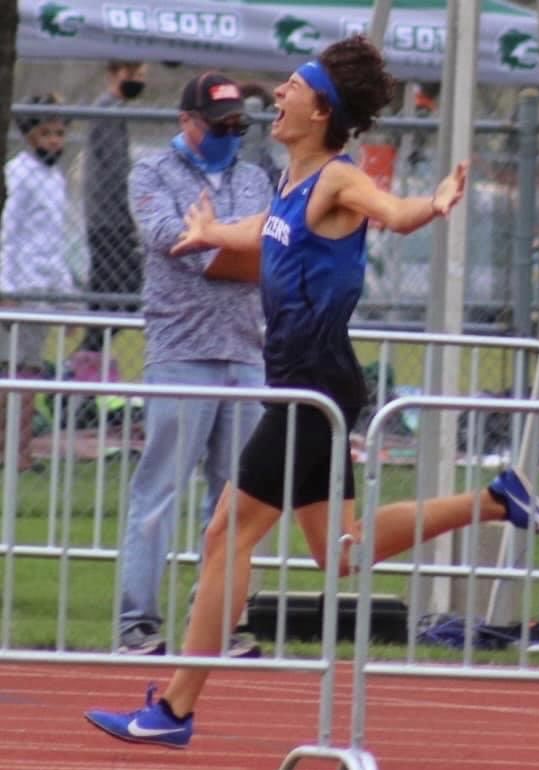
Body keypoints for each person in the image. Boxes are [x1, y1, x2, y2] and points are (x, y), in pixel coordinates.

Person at [85, 34, 539, 747]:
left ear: (320, 110)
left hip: (311, 383)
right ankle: (497, 499)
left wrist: (430, 205)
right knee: (340, 553)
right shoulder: (291, 183)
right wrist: (210, 230)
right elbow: (270, 229)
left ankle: (176, 708)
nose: (276, 95)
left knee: (227, 533)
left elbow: (390, 208)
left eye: (290, 86)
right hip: (310, 381)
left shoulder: (340, 178)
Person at [116, 72, 272, 657]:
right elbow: (168, 238)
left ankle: (218, 626)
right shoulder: (152, 173)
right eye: (219, 124)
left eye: (238, 125)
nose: (231, 134)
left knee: (236, 502)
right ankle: (137, 623)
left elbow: (267, 242)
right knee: (158, 492)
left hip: (246, 353)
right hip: (182, 354)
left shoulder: (255, 177)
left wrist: (217, 240)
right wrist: (226, 243)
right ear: (188, 121)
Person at [0, 93, 76, 471]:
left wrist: (68, 298)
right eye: (46, 133)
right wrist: (7, 290)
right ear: (29, 134)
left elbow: (55, 240)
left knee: (28, 373)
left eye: (60, 133)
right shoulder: (18, 173)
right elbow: (7, 235)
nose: (54, 142)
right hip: (17, 289)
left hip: (42, 293)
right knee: (13, 373)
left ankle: (20, 451)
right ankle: (13, 453)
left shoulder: (56, 178)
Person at [80, 60, 147, 353]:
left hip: (115, 220)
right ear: (113, 75)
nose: (137, 80)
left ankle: (87, 361)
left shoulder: (115, 110)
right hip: (108, 221)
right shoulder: (107, 108)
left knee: (122, 294)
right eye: (130, 74)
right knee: (118, 293)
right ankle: (82, 364)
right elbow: (116, 170)